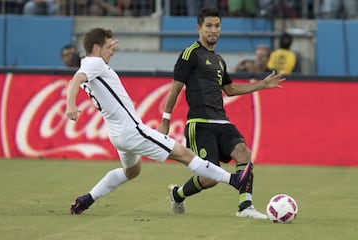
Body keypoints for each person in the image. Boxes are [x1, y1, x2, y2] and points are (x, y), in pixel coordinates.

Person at [66, 27, 257, 215]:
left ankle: (87, 199)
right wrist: (71, 106)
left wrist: (107, 47)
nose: (112, 50)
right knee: (184, 154)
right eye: (108, 46)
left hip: (117, 133)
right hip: (132, 131)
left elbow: (83, 75)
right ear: (97, 48)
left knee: (131, 171)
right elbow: (76, 78)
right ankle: (234, 180)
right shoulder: (94, 64)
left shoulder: (90, 64)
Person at [157, 6, 285, 219]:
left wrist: (262, 85)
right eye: (209, 26)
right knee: (210, 178)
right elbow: (175, 88)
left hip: (222, 121)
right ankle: (177, 194)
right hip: (199, 123)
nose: (213, 30)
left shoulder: (219, 60)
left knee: (243, 152)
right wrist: (165, 120)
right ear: (199, 28)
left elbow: (230, 89)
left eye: (217, 26)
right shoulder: (190, 54)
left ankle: (246, 207)